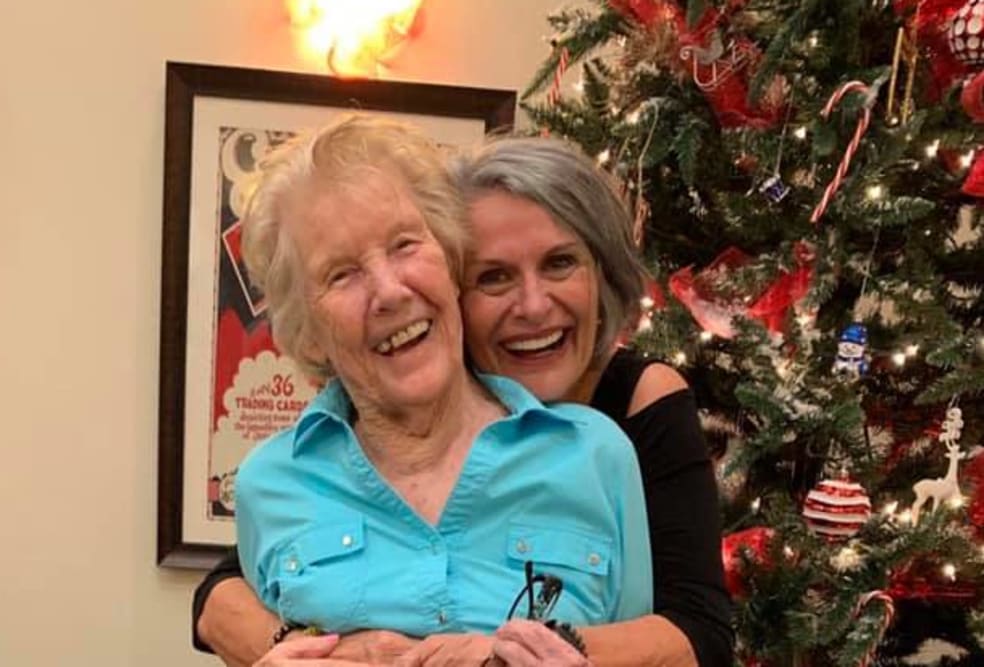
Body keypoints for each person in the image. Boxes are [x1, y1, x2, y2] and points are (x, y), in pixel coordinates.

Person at [193, 134, 732, 666]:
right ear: (305, 332)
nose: (390, 291)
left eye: (405, 244)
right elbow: (224, 594)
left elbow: (691, 632)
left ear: (449, 265)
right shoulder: (273, 480)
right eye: (342, 273)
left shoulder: (601, 452)